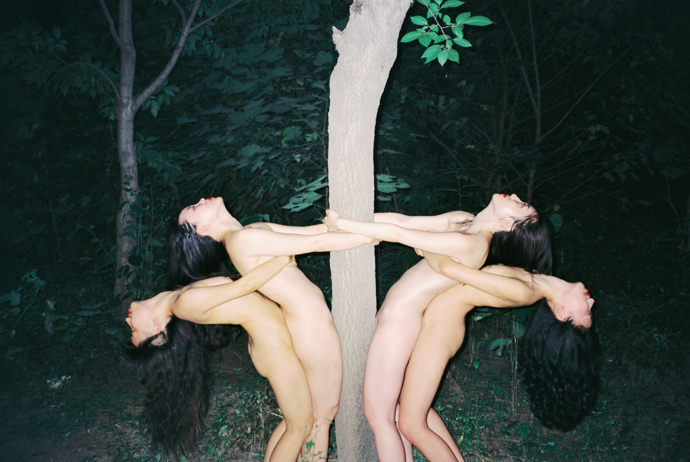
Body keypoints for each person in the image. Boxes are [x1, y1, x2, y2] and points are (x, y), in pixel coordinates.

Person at [323, 193, 552, 461]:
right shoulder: (464, 222)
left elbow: (399, 234)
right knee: (390, 414)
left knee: (379, 417)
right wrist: (353, 220)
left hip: (399, 325)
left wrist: (344, 224)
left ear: (508, 224)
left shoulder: (472, 243)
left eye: (521, 205)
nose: (514, 196)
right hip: (397, 321)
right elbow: (404, 221)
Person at [170, 196, 375, 461]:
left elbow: (312, 233)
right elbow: (316, 244)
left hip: (303, 323)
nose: (200, 200)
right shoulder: (242, 239)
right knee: (322, 416)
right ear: (201, 229)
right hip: (310, 327)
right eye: (194, 208)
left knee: (306, 417)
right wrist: (369, 236)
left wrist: (346, 225)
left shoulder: (248, 231)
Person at [396, 251, 599, 461]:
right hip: (437, 327)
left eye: (587, 312)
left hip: (438, 335)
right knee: (415, 412)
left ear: (562, 313)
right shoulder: (537, 278)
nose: (592, 302)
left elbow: (448, 268)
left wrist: (419, 245)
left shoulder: (524, 292)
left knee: (411, 425)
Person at [126, 255, 313, 462]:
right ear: (156, 327)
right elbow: (245, 286)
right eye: (133, 329)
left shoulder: (176, 297)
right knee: (300, 426)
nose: (127, 320)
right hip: (273, 348)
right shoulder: (184, 304)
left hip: (271, 344)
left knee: (294, 423)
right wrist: (284, 258)